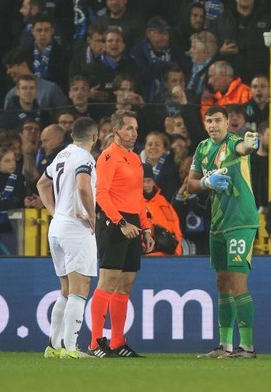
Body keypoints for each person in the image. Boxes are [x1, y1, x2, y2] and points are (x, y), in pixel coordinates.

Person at [188, 105, 259, 359]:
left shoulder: (234, 143)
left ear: (228, 122)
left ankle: (248, 347)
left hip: (241, 221)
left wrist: (252, 144)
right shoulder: (202, 148)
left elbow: (246, 148)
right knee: (222, 283)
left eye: (218, 120)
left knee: (238, 281)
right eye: (208, 121)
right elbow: (190, 183)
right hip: (218, 224)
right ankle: (225, 346)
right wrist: (206, 182)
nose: (212, 125)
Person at [88, 110, 155, 358]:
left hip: (134, 224)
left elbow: (138, 197)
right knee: (107, 282)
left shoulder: (135, 159)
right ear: (115, 131)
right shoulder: (107, 157)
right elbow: (101, 194)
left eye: (135, 128)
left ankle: (117, 342)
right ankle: (95, 342)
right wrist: (121, 223)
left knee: (126, 285)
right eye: (129, 128)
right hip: (114, 224)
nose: (134, 133)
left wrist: (145, 227)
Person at [36, 117, 99, 359]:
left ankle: (53, 346)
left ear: (73, 135)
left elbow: (42, 184)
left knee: (65, 289)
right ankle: (71, 350)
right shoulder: (85, 158)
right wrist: (92, 214)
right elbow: (83, 186)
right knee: (80, 289)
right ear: (94, 137)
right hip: (75, 229)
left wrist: (55, 212)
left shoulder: (62, 155)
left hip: (58, 227)